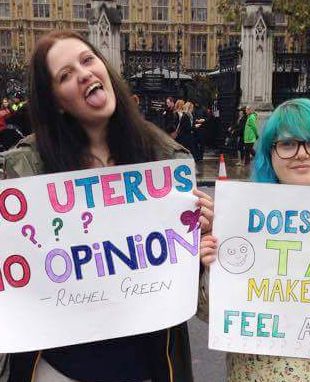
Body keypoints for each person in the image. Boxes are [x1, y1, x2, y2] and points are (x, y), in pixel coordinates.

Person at [0, 30, 214, 382]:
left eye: (87, 60)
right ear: (55, 100)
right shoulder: (26, 166)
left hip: (147, 366)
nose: (83, 73)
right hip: (58, 368)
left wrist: (201, 244)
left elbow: (186, 293)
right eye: (65, 75)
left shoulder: (166, 158)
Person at [199, 98, 310, 381]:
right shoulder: (239, 223)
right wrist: (208, 266)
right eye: (287, 144)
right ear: (271, 154)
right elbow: (212, 315)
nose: (301, 153)